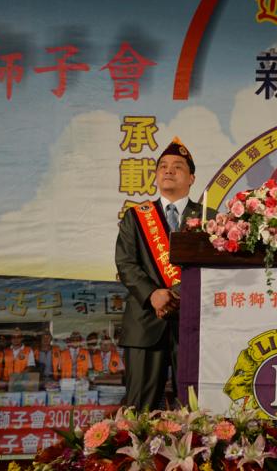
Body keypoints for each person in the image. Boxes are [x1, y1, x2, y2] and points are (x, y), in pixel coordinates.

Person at [115, 137, 207, 410]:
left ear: (191, 178)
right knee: (139, 411)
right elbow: (126, 263)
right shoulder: (135, 216)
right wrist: (153, 294)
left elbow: (213, 268)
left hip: (193, 323)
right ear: (155, 176)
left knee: (194, 409)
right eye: (163, 166)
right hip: (144, 321)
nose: (169, 170)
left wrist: (175, 294)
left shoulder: (209, 218)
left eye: (177, 166)